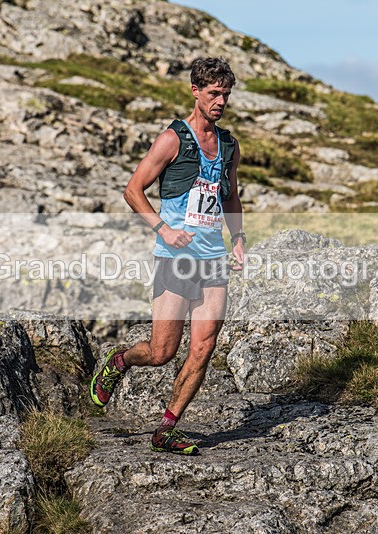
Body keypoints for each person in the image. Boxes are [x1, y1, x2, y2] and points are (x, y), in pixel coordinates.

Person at [89, 57, 246, 455]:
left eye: (225, 95)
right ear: (195, 92)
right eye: (213, 93)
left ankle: (167, 428)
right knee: (162, 353)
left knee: (204, 347)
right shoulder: (172, 139)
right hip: (175, 258)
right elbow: (133, 190)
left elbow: (230, 195)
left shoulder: (228, 145)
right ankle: (121, 360)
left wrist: (239, 237)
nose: (220, 101)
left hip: (213, 259)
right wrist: (164, 229)